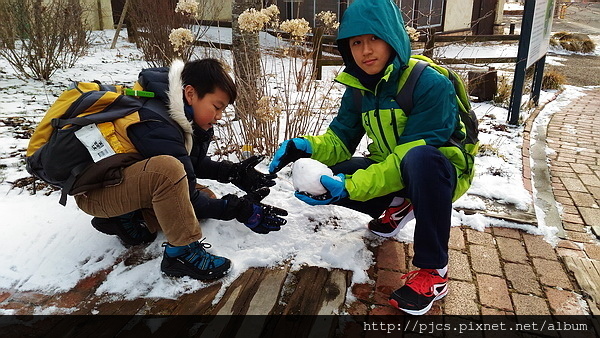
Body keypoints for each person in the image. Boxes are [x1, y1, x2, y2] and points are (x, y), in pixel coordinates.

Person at [268, 0, 474, 315]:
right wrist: (303, 147)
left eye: (374, 38)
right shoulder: (359, 88)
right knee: (331, 172)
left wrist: (349, 187)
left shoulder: (429, 83)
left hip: (438, 173)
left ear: (391, 36)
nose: (366, 50)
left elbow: (408, 155)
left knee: (420, 160)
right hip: (393, 167)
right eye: (356, 42)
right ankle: (399, 205)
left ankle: (434, 271)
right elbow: (340, 139)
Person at [75, 58, 287, 281]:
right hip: (95, 194)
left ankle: (126, 220)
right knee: (172, 178)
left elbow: (188, 162)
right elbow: (179, 180)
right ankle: (181, 254)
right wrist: (238, 209)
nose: (219, 116)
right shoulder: (155, 121)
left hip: (117, 182)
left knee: (203, 198)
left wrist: (233, 172)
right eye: (216, 107)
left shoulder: (171, 111)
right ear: (190, 93)